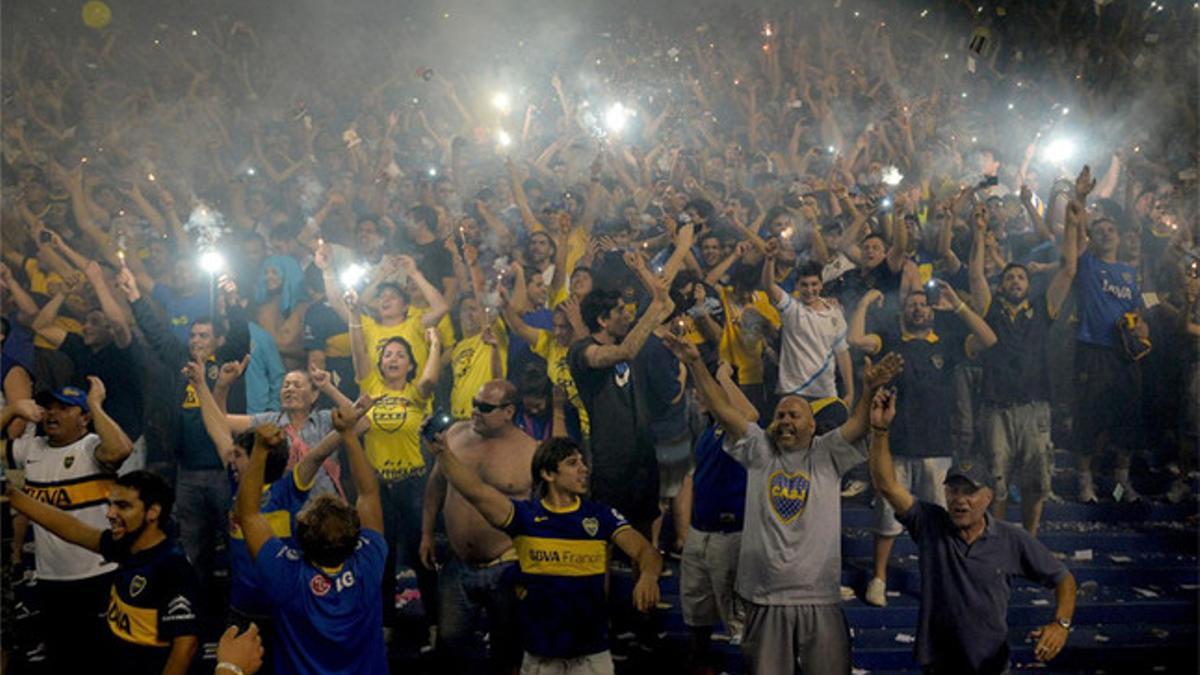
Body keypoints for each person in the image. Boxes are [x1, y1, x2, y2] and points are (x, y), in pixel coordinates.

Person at [665, 332, 902, 675]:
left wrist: (867, 391)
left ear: (813, 425)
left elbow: (858, 425)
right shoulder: (760, 449)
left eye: (794, 415)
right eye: (781, 415)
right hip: (765, 598)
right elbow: (720, 408)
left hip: (819, 598)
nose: (786, 420)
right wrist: (696, 363)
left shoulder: (826, 454)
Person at [867, 386, 1077, 674]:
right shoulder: (930, 524)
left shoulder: (1009, 538)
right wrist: (880, 431)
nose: (960, 499)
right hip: (939, 665)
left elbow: (1064, 579)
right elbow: (887, 485)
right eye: (953, 490)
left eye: (970, 491)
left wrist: (1061, 624)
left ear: (989, 497)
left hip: (990, 665)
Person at [430, 434, 662, 674]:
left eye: (583, 462)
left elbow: (646, 551)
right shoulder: (524, 518)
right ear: (548, 474)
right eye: (572, 463)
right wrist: (442, 454)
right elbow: (475, 491)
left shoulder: (600, 517)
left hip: (592, 655)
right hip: (541, 658)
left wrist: (649, 576)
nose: (584, 469)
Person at [848, 282, 998, 607]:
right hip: (895, 446)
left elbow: (988, 339)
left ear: (932, 310)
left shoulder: (946, 341)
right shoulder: (889, 340)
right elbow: (855, 339)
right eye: (913, 304)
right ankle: (879, 578)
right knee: (887, 519)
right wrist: (864, 301)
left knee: (941, 524)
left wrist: (957, 304)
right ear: (905, 310)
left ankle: (940, 578)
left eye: (924, 304)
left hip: (937, 447)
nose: (919, 308)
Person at [6, 467, 200, 675]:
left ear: (153, 512)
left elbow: (185, 648)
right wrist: (11, 493)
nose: (110, 514)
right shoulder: (128, 545)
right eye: (111, 505)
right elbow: (73, 529)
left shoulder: (172, 567)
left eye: (122, 506)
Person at [234, 411, 387, 675]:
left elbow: (248, 514)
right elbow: (368, 493)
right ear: (355, 538)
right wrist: (349, 435)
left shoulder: (287, 576)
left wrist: (259, 450)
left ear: (301, 538)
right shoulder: (369, 564)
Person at [973, 175, 1081, 535]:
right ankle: (999, 539)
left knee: (1037, 478)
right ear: (1001, 285)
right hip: (997, 404)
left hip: (1035, 404)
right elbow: (975, 275)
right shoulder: (990, 310)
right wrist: (979, 232)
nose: (1016, 282)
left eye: (1021, 278)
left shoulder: (1042, 308)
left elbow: (1068, 269)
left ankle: (1030, 539)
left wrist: (1075, 220)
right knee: (997, 477)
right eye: (1010, 278)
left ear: (1027, 284)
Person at [3, 380, 134, 673]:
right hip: (52, 579)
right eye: (48, 407)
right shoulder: (31, 448)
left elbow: (121, 450)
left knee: (104, 660)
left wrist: (96, 405)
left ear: (84, 417)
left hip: (99, 575)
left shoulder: (92, 448)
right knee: (63, 661)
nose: (52, 414)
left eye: (63, 408)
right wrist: (11, 410)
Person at [420, 380, 537, 674]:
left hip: (507, 564)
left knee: (507, 648)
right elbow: (435, 486)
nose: (475, 411)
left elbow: (541, 512)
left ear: (509, 411)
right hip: (457, 563)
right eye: (474, 403)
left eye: (485, 407)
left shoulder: (530, 451)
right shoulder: (455, 434)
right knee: (451, 639)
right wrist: (426, 533)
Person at [348, 289, 442, 634]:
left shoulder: (415, 394)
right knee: (380, 556)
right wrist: (353, 314)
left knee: (422, 550)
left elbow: (431, 379)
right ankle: (384, 624)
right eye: (388, 353)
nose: (393, 358)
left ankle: (433, 622)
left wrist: (433, 344)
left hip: (414, 484)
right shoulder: (371, 386)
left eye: (400, 354)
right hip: (376, 488)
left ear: (409, 364)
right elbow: (359, 356)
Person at [567, 281, 676, 538]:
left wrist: (652, 284)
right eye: (620, 311)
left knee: (644, 528)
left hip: (642, 456)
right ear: (603, 320)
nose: (628, 314)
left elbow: (667, 305)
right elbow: (622, 353)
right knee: (606, 535)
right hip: (611, 460)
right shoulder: (581, 352)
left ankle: (645, 579)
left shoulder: (629, 338)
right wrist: (655, 307)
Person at [1069, 170, 1150, 503]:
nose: (1105, 233)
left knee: (1126, 418)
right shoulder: (1087, 264)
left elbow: (1139, 312)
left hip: (1124, 355)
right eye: (1098, 230)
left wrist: (1141, 330)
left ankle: (1120, 485)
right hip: (1093, 350)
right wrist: (1082, 199)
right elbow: (1075, 234)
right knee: (1088, 417)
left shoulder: (1130, 273)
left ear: (1119, 236)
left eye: (1110, 229)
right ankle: (1085, 483)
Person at [681, 361, 754, 672]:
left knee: (738, 620)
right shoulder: (708, 434)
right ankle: (701, 662)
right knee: (696, 607)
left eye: (703, 391)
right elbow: (692, 481)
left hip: (730, 534)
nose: (698, 396)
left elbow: (750, 415)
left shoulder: (734, 433)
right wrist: (686, 531)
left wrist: (723, 377)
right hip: (701, 533)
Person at [764, 253, 854, 433]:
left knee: (826, 450)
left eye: (814, 284)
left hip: (826, 394)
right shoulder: (791, 308)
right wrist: (770, 259)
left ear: (821, 284)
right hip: (793, 392)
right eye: (804, 285)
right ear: (797, 285)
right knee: (793, 450)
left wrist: (850, 391)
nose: (809, 289)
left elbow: (842, 354)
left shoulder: (834, 313)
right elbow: (768, 285)